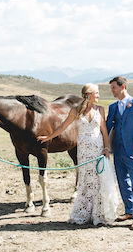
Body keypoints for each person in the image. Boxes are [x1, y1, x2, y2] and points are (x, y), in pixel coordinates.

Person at [37, 83, 118, 226]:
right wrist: (48, 137)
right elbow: (63, 126)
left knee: (98, 181)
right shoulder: (75, 110)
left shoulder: (100, 109)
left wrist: (106, 148)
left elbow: (104, 130)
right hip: (83, 150)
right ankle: (84, 213)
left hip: (98, 147)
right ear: (88, 95)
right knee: (86, 180)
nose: (99, 95)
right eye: (96, 93)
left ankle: (98, 215)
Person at [106, 76, 133, 230]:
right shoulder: (112, 107)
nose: (112, 91)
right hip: (117, 150)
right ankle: (129, 211)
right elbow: (106, 127)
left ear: (122, 87)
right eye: (111, 88)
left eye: (113, 88)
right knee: (123, 181)